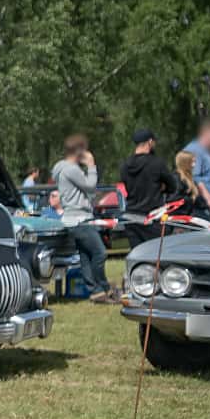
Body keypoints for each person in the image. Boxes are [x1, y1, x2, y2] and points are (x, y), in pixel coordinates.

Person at [51, 133, 112, 301]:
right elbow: (90, 187)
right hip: (79, 219)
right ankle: (104, 287)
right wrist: (91, 166)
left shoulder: (61, 168)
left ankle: (95, 291)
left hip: (72, 219)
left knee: (86, 256)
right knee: (100, 252)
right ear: (80, 151)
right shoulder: (71, 169)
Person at [117, 129, 178, 243]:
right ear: (150, 142)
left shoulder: (125, 166)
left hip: (131, 216)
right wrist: (162, 187)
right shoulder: (157, 163)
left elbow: (128, 185)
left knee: (137, 255)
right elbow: (172, 186)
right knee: (155, 255)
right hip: (151, 217)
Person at [182, 118, 210, 217]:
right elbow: (194, 178)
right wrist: (209, 200)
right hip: (199, 209)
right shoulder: (194, 150)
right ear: (207, 133)